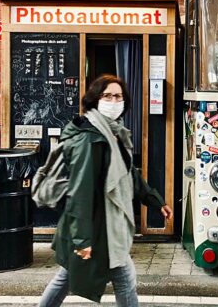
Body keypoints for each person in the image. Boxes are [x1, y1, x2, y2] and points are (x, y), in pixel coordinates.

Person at [39, 74, 173, 307]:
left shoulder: (114, 133)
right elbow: (80, 192)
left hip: (106, 225)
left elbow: (128, 173)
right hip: (96, 227)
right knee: (121, 280)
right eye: (107, 95)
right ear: (94, 100)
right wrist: (82, 240)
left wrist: (155, 201)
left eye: (118, 96)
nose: (113, 101)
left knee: (67, 278)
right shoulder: (90, 140)